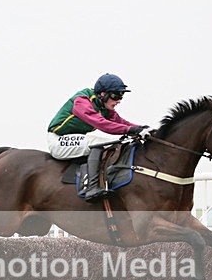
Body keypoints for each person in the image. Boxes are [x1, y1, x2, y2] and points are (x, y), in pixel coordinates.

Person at [47, 73, 149, 201]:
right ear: (103, 94)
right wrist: (132, 130)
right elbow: (103, 124)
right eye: (116, 95)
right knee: (98, 142)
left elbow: (121, 122)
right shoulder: (82, 101)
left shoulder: (103, 106)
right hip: (58, 140)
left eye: (121, 96)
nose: (118, 100)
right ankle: (92, 188)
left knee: (112, 142)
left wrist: (143, 128)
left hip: (74, 139)